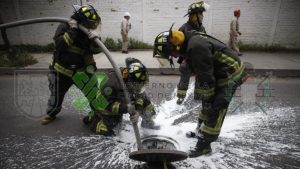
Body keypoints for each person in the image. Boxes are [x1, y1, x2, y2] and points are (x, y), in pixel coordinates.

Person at [153, 28, 247, 157]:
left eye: (171, 53)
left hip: (230, 73)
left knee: (216, 107)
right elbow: (193, 72)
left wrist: (208, 99)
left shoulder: (196, 47)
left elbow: (205, 78)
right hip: (219, 70)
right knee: (206, 101)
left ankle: (204, 146)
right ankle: (200, 131)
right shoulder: (186, 42)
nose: (173, 56)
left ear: (175, 46)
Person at [41, 4, 102, 125]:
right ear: (82, 20)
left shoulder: (86, 31)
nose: (92, 25)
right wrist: (73, 30)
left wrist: (96, 42)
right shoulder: (64, 26)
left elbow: (94, 51)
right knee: (56, 96)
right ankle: (51, 114)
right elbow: (61, 45)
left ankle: (99, 115)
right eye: (90, 22)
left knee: (94, 94)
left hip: (82, 72)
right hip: (61, 72)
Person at [83, 57, 159, 136]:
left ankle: (147, 123)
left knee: (146, 101)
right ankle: (96, 120)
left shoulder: (133, 81)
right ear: (129, 79)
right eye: (137, 85)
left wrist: (137, 111)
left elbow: (140, 96)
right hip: (104, 105)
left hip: (121, 100)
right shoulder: (111, 83)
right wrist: (127, 108)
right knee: (111, 131)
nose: (139, 87)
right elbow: (108, 104)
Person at [177, 1, 209, 105]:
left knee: (201, 77)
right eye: (200, 14)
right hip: (188, 58)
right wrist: (184, 57)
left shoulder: (201, 28)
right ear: (194, 16)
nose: (202, 16)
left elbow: (206, 41)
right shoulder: (184, 28)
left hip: (199, 59)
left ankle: (198, 98)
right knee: (185, 74)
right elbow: (178, 46)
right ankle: (181, 96)